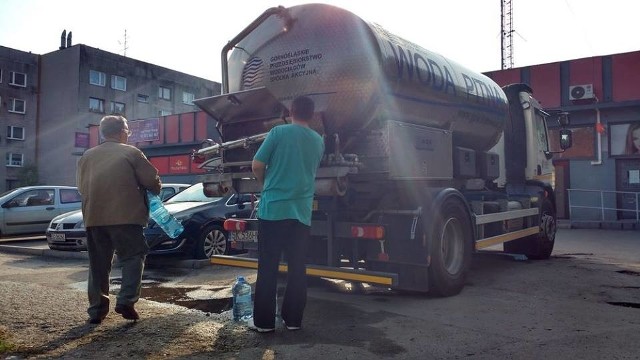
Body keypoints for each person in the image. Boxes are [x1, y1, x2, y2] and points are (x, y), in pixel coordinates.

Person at [249, 96, 324, 333]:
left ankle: (263, 323)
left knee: (268, 267)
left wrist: (266, 184)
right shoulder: (318, 141)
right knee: (297, 267)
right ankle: (293, 320)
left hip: (274, 209)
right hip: (301, 213)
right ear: (312, 115)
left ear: (290, 111)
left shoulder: (278, 133)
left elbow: (257, 165)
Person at [77, 115, 161, 324]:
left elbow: (80, 187)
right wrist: (154, 188)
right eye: (127, 131)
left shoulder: (87, 156)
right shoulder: (131, 153)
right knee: (133, 257)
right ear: (122, 131)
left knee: (98, 264)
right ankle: (126, 300)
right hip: (127, 217)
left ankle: (96, 310)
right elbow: (151, 181)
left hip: (94, 217)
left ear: (104, 133)